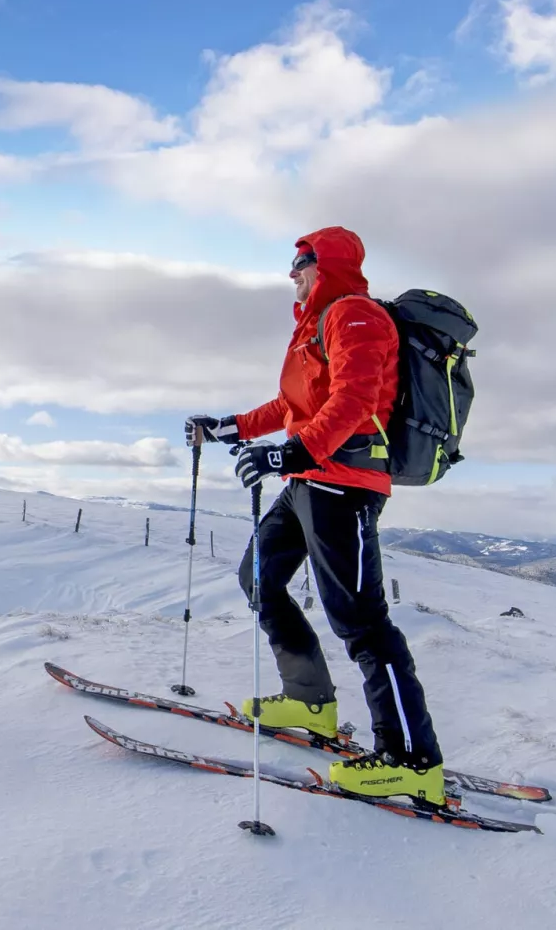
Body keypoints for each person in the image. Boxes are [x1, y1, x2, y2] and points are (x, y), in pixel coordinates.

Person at [185, 226, 446, 806]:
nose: (291, 274)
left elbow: (352, 402)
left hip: (344, 485)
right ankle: (310, 701)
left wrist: (291, 452)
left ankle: (412, 760)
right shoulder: (316, 327)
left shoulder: (355, 315)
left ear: (325, 266)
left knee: (361, 622)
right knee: (259, 577)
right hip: (309, 480)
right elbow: (292, 406)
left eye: (301, 263)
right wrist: (225, 428)